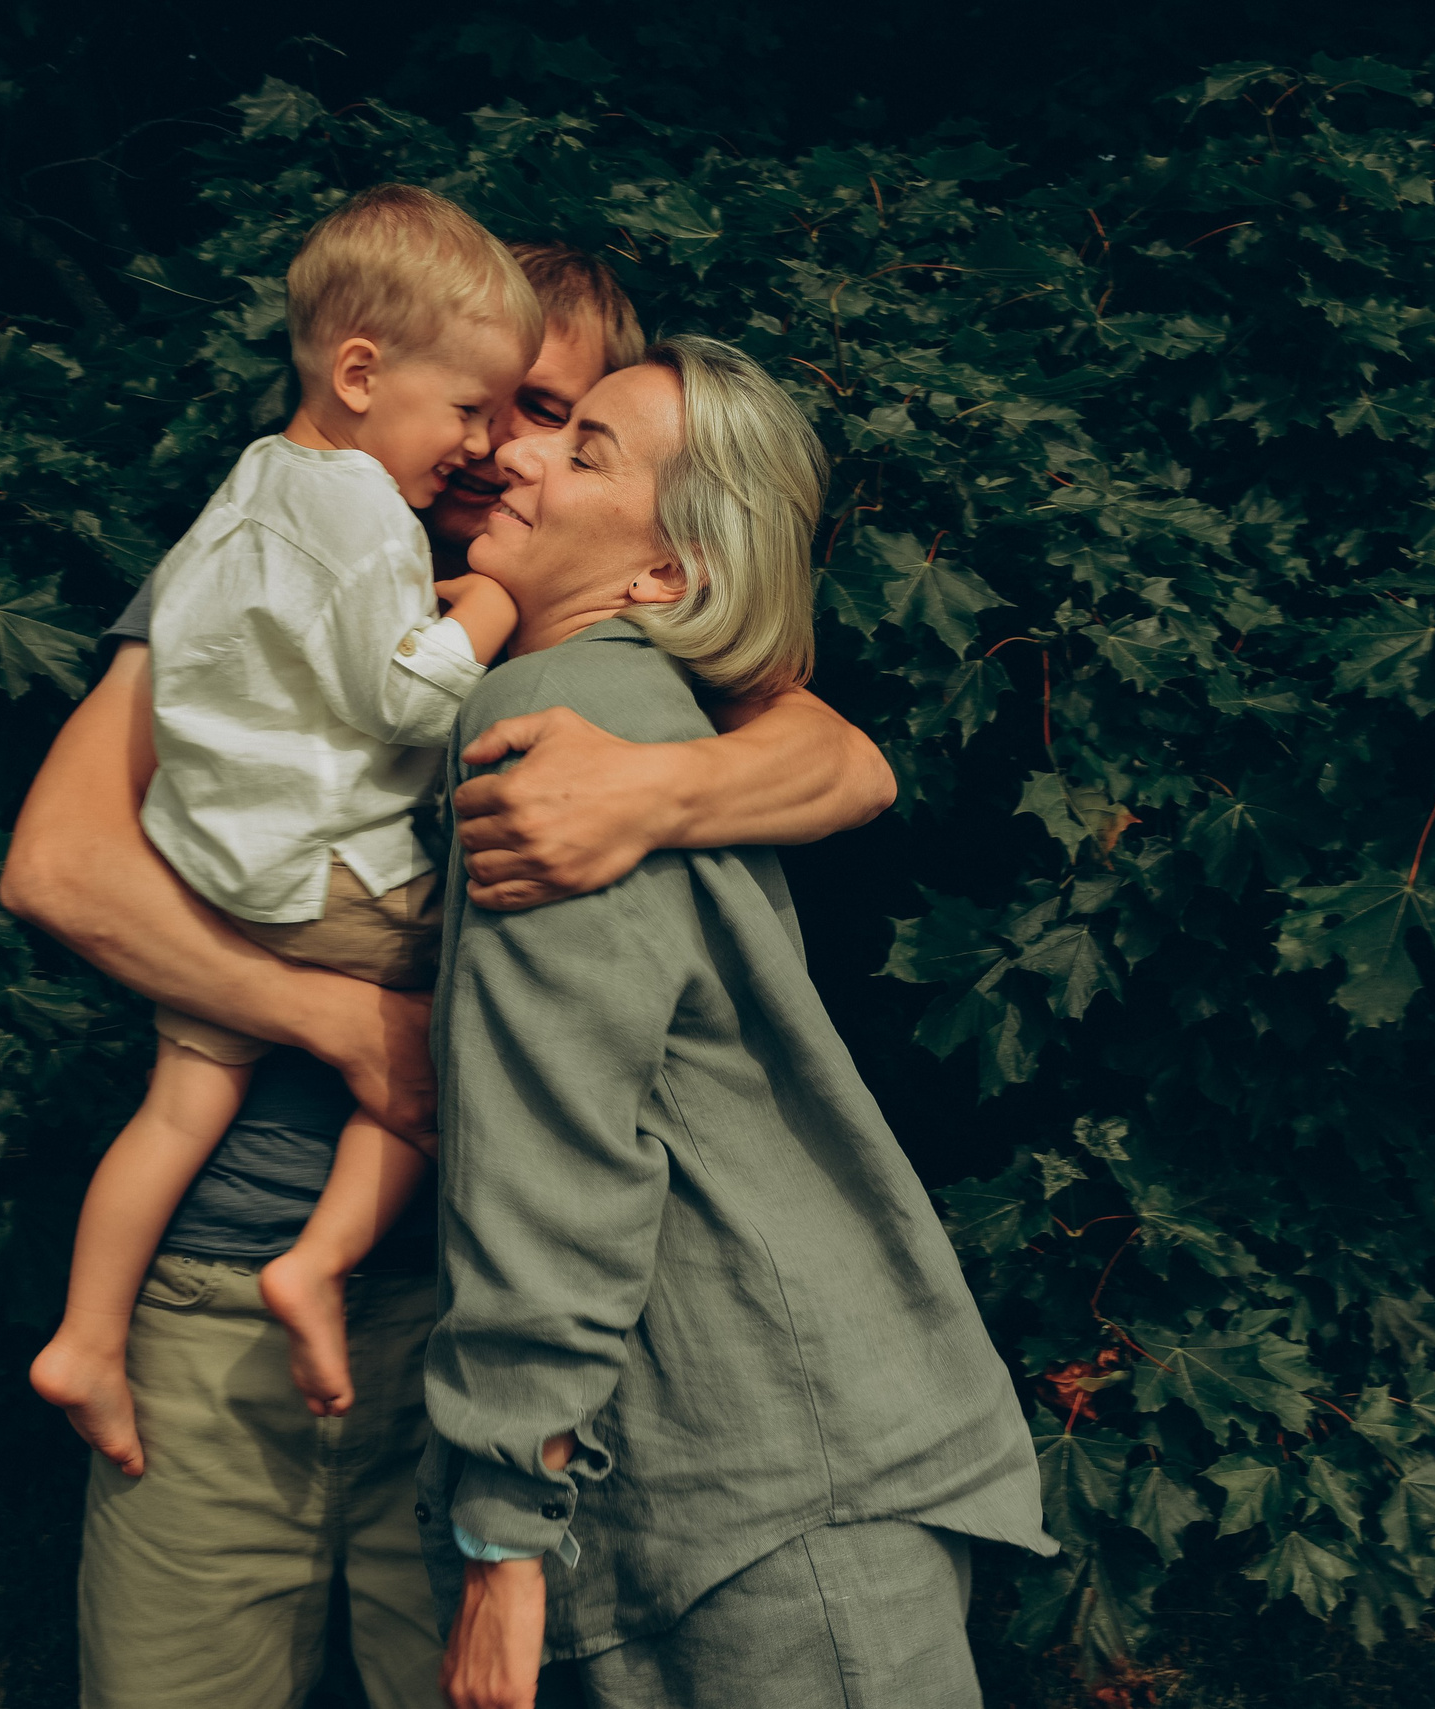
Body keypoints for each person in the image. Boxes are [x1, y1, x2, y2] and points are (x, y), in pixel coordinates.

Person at [0, 250, 896, 1709]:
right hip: (228, 1275)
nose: (503, 447)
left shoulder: (582, 617)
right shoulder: (290, 543)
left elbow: (848, 761)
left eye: (557, 413)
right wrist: (359, 1026)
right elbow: (60, 864)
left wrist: (653, 794)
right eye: (492, 403)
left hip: (474, 1325)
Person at [422, 335, 1054, 1709]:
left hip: (772, 1500)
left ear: (665, 574)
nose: (512, 455)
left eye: (582, 446)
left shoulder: (557, 716)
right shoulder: (639, 717)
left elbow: (559, 1144)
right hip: (772, 1487)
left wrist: (499, 1535)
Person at [28, 182, 537, 1452]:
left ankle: (85, 1338)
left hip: (216, 867)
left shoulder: (254, 480)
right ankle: (315, 1262)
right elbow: (411, 696)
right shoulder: (370, 510)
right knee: (447, 1002)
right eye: (468, 408)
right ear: (361, 371)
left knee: (178, 1105)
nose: (477, 446)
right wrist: (493, 602)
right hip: (332, 879)